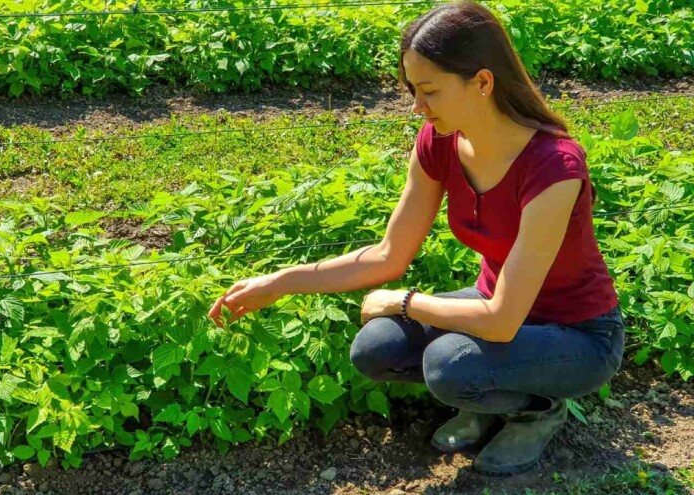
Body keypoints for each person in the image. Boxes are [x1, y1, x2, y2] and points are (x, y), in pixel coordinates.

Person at [207, 0, 624, 476]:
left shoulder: (554, 166)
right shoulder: (439, 141)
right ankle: (490, 395)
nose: (416, 107)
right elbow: (389, 255)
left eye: (429, 90)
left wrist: (406, 302)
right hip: (497, 309)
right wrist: (281, 282)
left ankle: (535, 410)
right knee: (376, 348)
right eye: (412, 89)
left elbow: (501, 321)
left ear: (482, 82)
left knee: (450, 365)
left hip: (578, 335)